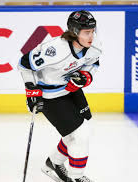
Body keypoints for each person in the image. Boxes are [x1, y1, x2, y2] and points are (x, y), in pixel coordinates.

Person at [18, 10, 102, 182]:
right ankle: (76, 178)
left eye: (92, 31)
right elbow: (24, 64)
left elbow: (93, 62)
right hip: (50, 96)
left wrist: (85, 77)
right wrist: (31, 90)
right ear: (74, 32)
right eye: (87, 32)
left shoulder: (93, 45)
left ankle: (53, 164)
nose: (91, 36)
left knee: (77, 133)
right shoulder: (54, 50)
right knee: (81, 135)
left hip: (71, 90)